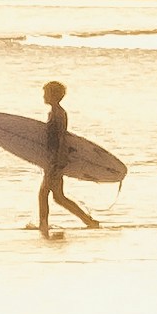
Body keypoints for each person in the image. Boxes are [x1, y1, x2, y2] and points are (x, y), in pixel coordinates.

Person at [35, 78, 100, 239]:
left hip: (55, 160)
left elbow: (61, 138)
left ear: (53, 96)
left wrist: (57, 161)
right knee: (58, 197)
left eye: (46, 93)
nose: (43, 96)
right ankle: (89, 221)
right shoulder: (57, 112)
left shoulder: (57, 113)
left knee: (44, 194)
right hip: (53, 159)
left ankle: (43, 225)